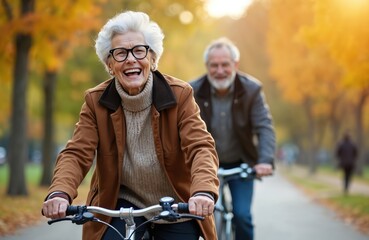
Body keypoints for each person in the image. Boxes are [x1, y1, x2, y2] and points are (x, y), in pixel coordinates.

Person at [41, 11, 219, 240]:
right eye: (120, 53)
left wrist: (203, 192)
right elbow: (76, 153)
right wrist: (60, 193)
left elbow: (201, 147)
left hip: (176, 203)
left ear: (153, 59)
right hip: (121, 201)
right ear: (109, 64)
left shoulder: (180, 95)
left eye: (139, 50)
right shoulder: (96, 102)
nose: (131, 59)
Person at [190, 37, 275, 240]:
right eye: (214, 65)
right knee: (198, 217)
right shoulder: (191, 90)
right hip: (205, 167)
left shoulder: (251, 90)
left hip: (241, 165)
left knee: (242, 216)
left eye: (225, 65)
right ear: (207, 66)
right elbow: (182, 130)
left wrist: (264, 160)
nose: (220, 70)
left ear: (235, 64)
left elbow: (264, 126)